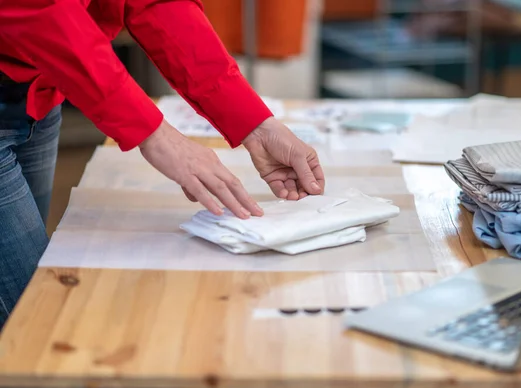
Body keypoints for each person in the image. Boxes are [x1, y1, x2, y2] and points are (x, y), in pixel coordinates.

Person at [0, 0, 325, 328]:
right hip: (34, 60)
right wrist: (153, 133)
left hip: (37, 89)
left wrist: (255, 124)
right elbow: (40, 11)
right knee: (34, 323)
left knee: (29, 305)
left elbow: (156, 4)